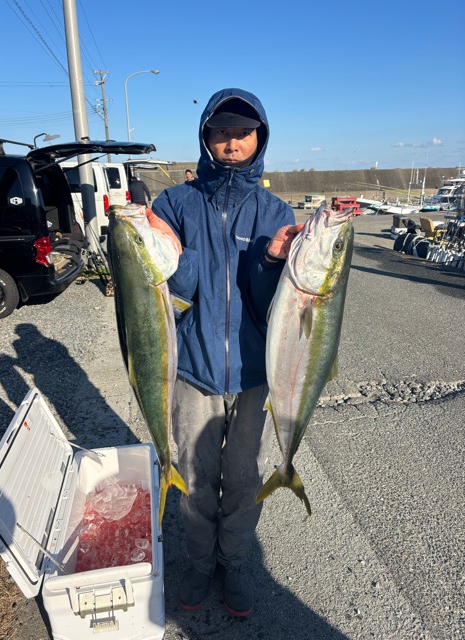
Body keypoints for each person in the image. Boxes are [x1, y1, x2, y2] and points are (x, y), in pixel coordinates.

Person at [148, 88, 303, 617]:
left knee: (241, 479)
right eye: (221, 132)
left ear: (260, 138)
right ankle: (199, 561)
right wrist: (175, 257)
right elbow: (172, 301)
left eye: (242, 132)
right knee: (194, 479)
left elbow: (270, 305)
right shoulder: (173, 204)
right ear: (205, 137)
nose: (231, 142)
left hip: (254, 374)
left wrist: (272, 260)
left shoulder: (276, 211)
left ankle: (233, 563)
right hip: (192, 370)